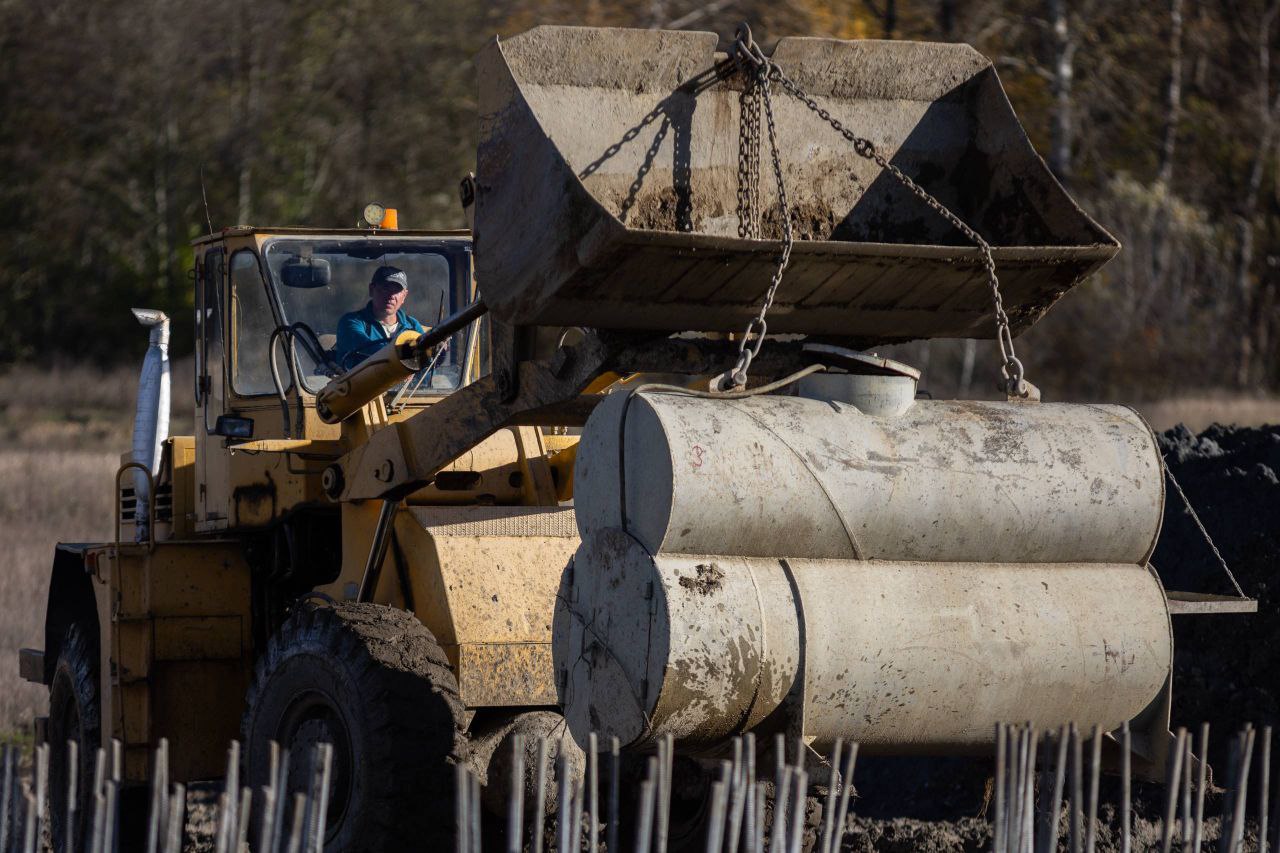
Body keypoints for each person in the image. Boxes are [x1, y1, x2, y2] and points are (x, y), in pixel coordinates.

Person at [334, 266, 428, 369]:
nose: (391, 295)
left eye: (396, 290)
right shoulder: (351, 322)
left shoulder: (413, 326)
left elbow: (427, 365)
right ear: (371, 290)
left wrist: (435, 350)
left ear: (404, 296)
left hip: (412, 386)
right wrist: (410, 353)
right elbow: (368, 348)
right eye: (385, 288)